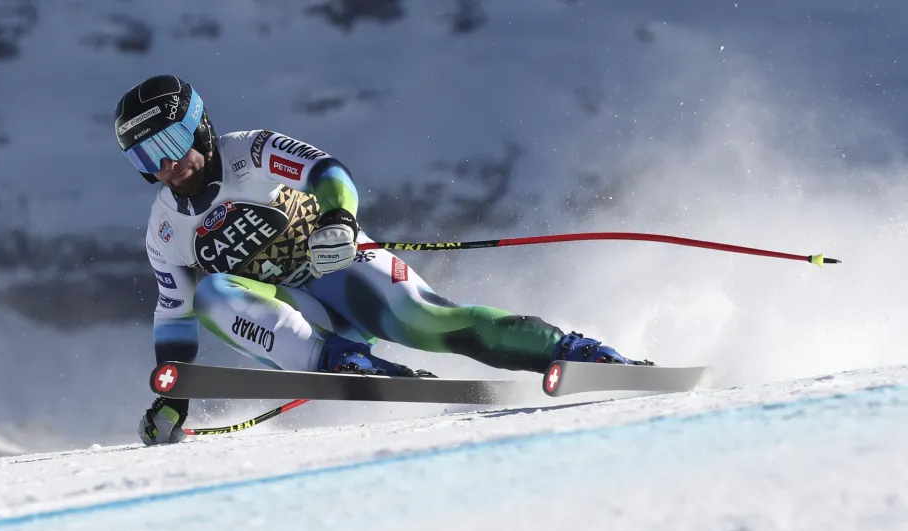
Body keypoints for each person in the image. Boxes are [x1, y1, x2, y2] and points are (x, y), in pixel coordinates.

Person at [114, 75, 649, 446]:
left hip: (342, 269)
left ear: (199, 124)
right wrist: (174, 399)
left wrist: (339, 220)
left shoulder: (249, 152)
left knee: (431, 320)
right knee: (208, 295)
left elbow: (327, 172)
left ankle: (577, 352)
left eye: (171, 142)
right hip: (299, 317)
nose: (164, 165)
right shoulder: (165, 230)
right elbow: (175, 318)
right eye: (144, 155)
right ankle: (336, 360)